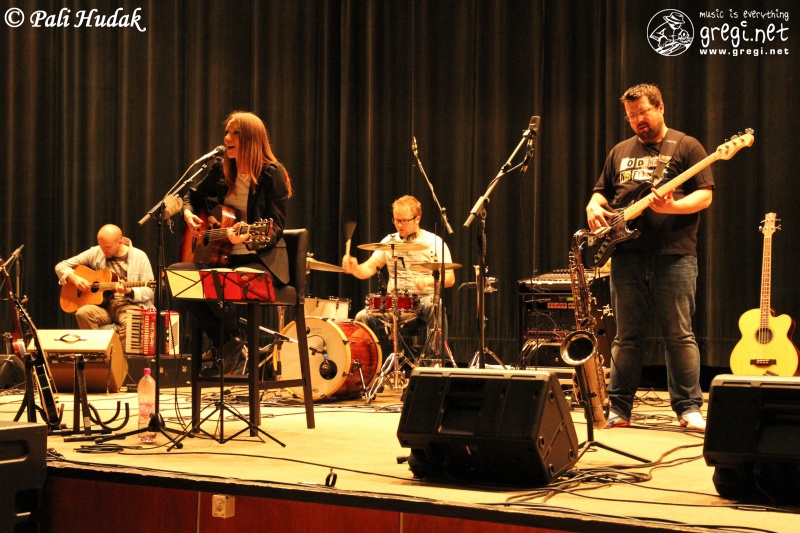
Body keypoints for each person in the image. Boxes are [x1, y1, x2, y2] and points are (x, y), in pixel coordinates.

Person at [585, 83, 713, 431]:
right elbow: (600, 194)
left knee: (679, 335)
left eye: (643, 112)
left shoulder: (686, 146)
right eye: (631, 116)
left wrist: (673, 207)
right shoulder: (619, 151)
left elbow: (704, 196)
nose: (638, 120)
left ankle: (689, 408)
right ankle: (619, 408)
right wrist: (593, 207)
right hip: (626, 256)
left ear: (660, 108)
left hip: (674, 255)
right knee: (625, 337)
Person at [173, 111, 291, 374]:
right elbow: (191, 195)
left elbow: (275, 228)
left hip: (259, 260)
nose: (227, 138)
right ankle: (229, 341)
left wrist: (249, 236)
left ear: (251, 138)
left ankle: (227, 345)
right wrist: (189, 214)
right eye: (227, 132)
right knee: (178, 277)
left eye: (235, 133)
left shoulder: (272, 173)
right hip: (224, 256)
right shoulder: (221, 169)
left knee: (226, 282)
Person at [342, 195, 455, 360]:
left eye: (404, 221)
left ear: (417, 219)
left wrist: (428, 281)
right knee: (361, 317)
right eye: (396, 220)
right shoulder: (390, 241)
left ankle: (434, 361)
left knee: (435, 306)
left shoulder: (434, 242)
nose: (399, 225)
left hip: (422, 301)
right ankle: (367, 363)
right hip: (394, 302)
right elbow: (367, 269)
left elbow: (450, 278)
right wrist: (355, 268)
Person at [55, 224, 155, 350]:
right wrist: (75, 279)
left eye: (107, 247)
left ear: (120, 242)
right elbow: (61, 266)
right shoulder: (96, 251)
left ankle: (119, 358)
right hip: (104, 306)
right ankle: (96, 352)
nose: (103, 251)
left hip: (129, 305)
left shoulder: (140, 257)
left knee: (132, 322)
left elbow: (150, 290)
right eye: (101, 246)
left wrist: (129, 291)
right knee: (82, 313)